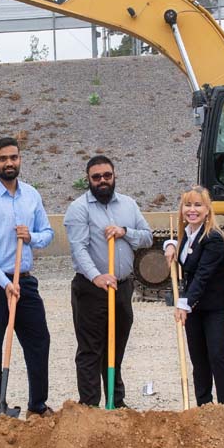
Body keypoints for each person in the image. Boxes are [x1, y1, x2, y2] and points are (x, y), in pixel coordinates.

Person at [0, 137, 55, 417]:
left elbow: (48, 234)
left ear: (20, 159)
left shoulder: (31, 195)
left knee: (39, 341)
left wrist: (31, 236)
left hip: (24, 280)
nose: (9, 163)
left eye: (13, 157)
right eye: (3, 158)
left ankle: (37, 406)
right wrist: (5, 283)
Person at [64, 155, 153, 408]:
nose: (102, 181)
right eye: (96, 177)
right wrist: (97, 276)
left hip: (122, 287)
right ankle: (90, 407)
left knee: (116, 347)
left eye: (107, 176)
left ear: (114, 176)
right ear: (88, 180)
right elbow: (79, 249)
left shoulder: (128, 205)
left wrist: (125, 231)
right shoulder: (79, 209)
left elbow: (147, 237)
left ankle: (116, 403)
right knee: (91, 350)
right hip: (92, 289)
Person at [164, 186, 224, 408]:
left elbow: (203, 275)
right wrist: (170, 244)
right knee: (198, 359)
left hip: (215, 307)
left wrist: (183, 304)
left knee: (216, 356)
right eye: (188, 205)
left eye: (197, 205)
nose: (192, 210)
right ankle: (204, 405)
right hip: (195, 308)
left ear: (207, 210)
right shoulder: (187, 235)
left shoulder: (213, 238)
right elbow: (186, 253)